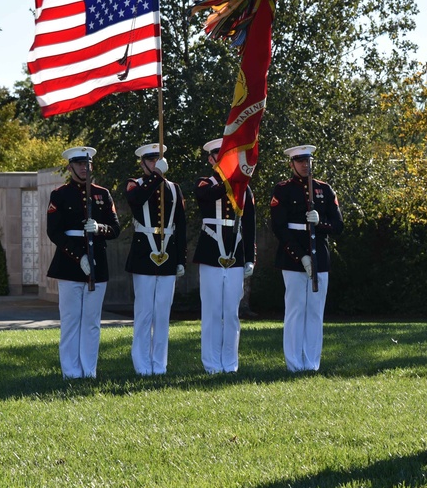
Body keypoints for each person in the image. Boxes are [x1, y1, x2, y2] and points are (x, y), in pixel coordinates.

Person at [46, 146, 121, 379]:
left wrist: (100, 228)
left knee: (91, 322)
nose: (83, 167)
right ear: (70, 167)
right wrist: (80, 256)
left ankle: (89, 371)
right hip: (69, 264)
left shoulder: (103, 193)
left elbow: (115, 229)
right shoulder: (59, 194)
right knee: (70, 321)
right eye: (78, 164)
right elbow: (54, 232)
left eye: (86, 163)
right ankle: (70, 372)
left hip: (97, 263)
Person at [270, 145, 345, 372]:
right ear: (291, 164)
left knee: (314, 312)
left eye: (308, 161)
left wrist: (319, 221)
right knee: (295, 311)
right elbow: (279, 228)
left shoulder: (324, 189)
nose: (305, 165)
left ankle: (312, 364)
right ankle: (294, 364)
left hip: (319, 256)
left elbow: (338, 225)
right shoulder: (282, 190)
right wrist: (300, 255)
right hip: (293, 257)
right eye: (300, 161)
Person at [193, 138, 255, 374]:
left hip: (235, 253)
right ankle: (211, 364)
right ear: (211, 159)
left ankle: (230, 364)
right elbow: (209, 195)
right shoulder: (203, 182)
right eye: (219, 155)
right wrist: (233, 178)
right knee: (211, 312)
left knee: (231, 313)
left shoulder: (244, 188)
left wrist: (250, 257)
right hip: (211, 253)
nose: (225, 158)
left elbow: (249, 225)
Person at [124, 143, 187, 375]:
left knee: (162, 313)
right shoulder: (136, 184)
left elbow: (180, 225)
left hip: (168, 254)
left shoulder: (174, 188)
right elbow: (136, 200)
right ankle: (141, 365)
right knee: (144, 313)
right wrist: (157, 176)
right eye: (150, 160)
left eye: (157, 159)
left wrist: (181, 259)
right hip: (144, 254)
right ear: (142, 163)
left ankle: (159, 365)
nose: (154, 163)